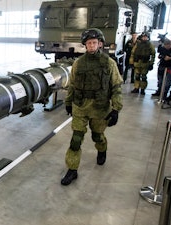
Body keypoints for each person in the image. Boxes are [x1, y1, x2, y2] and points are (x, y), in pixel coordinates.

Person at [61, 28, 123, 186]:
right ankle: (72, 170)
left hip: (100, 108)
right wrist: (68, 102)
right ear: (85, 45)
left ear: (100, 44)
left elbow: (116, 86)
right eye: (88, 43)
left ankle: (102, 150)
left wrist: (116, 109)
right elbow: (72, 86)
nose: (91, 46)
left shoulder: (109, 63)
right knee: (76, 139)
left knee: (97, 136)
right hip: (80, 107)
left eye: (94, 43)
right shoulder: (78, 63)